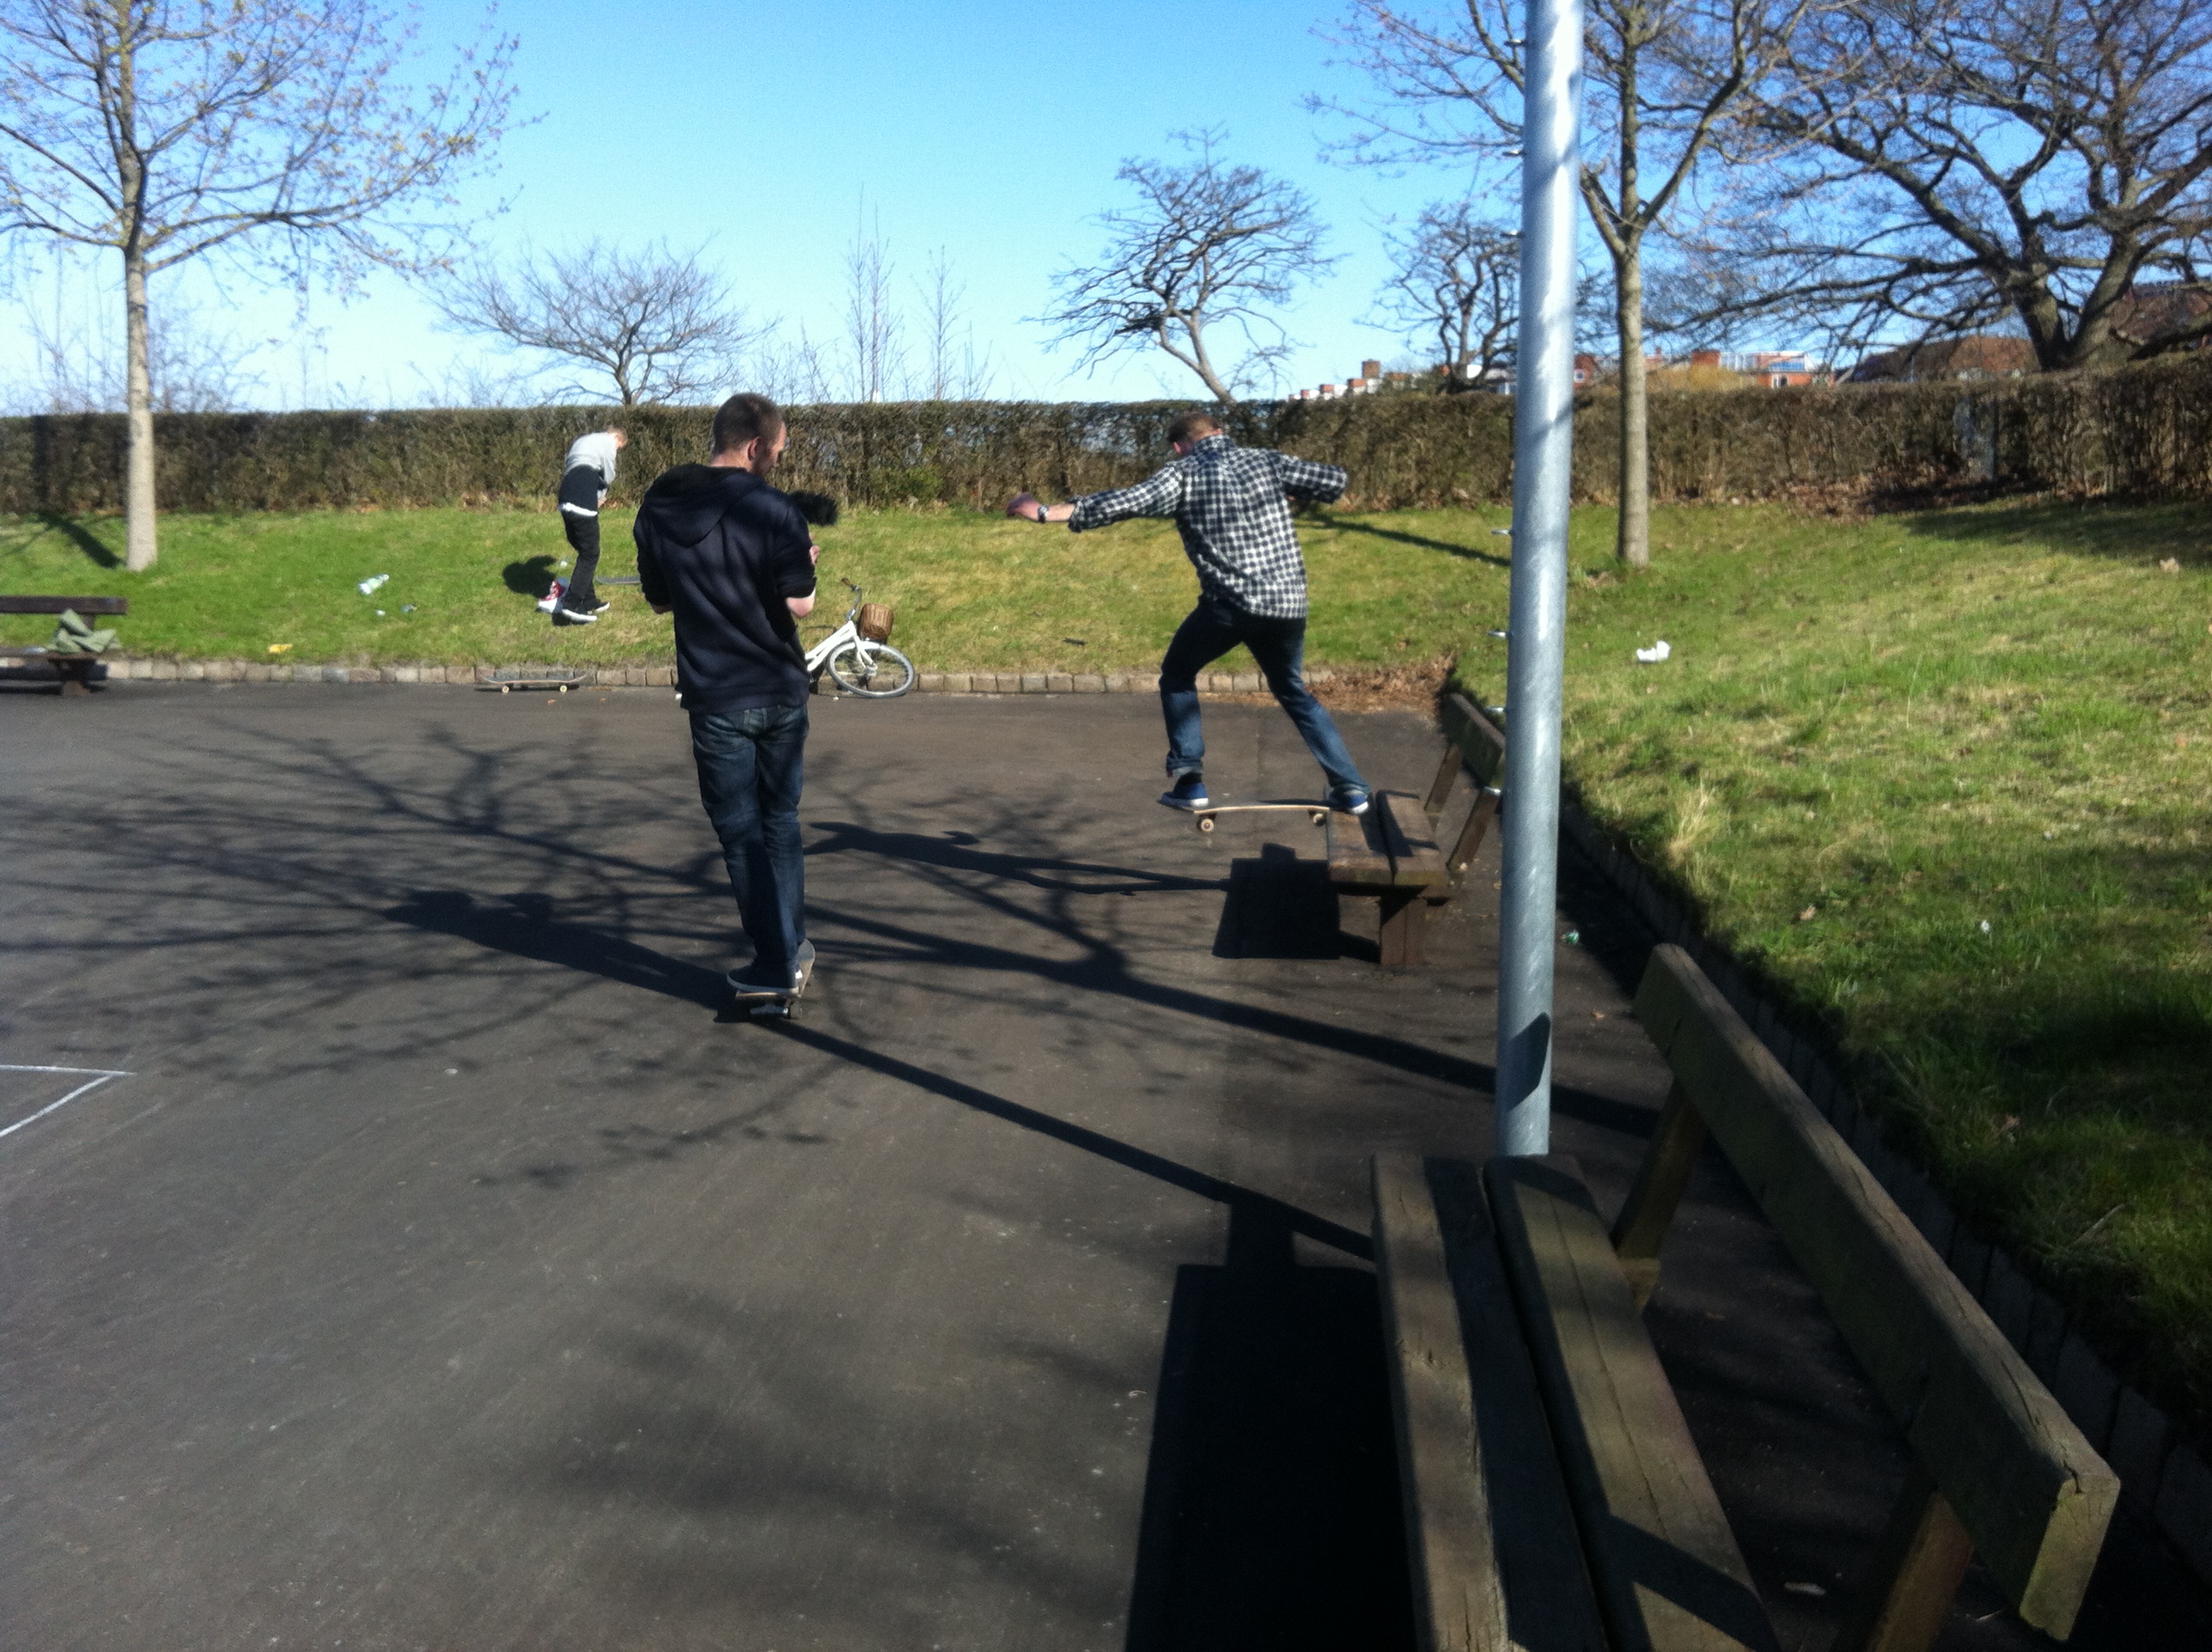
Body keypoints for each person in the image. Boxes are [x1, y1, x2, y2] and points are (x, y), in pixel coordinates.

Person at [1006, 410, 1371, 814]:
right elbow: (1334, 481)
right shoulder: (1268, 461)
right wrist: (1281, 493)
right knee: (1292, 691)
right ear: (1219, 433)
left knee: (1178, 675)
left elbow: (1125, 501)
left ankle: (1190, 780)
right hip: (1287, 607)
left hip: (1229, 607)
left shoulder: (1182, 473)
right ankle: (1350, 788)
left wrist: (1042, 511)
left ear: (1180, 445)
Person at [634, 393, 820, 999]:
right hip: (778, 686)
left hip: (715, 694)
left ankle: (778, 954)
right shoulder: (773, 508)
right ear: (755, 446)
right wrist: (804, 564)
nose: (777, 462)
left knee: (740, 832)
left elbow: (659, 600)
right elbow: (799, 603)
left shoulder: (661, 507)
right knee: (779, 823)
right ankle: (783, 954)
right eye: (778, 452)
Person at [553, 425, 627, 624]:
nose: (617, 450)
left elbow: (570, 468)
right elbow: (609, 474)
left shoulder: (582, 441)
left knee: (584, 552)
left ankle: (589, 600)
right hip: (582, 499)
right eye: (620, 447)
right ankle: (572, 604)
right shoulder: (607, 442)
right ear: (617, 438)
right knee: (590, 554)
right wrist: (601, 495)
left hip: (565, 497)